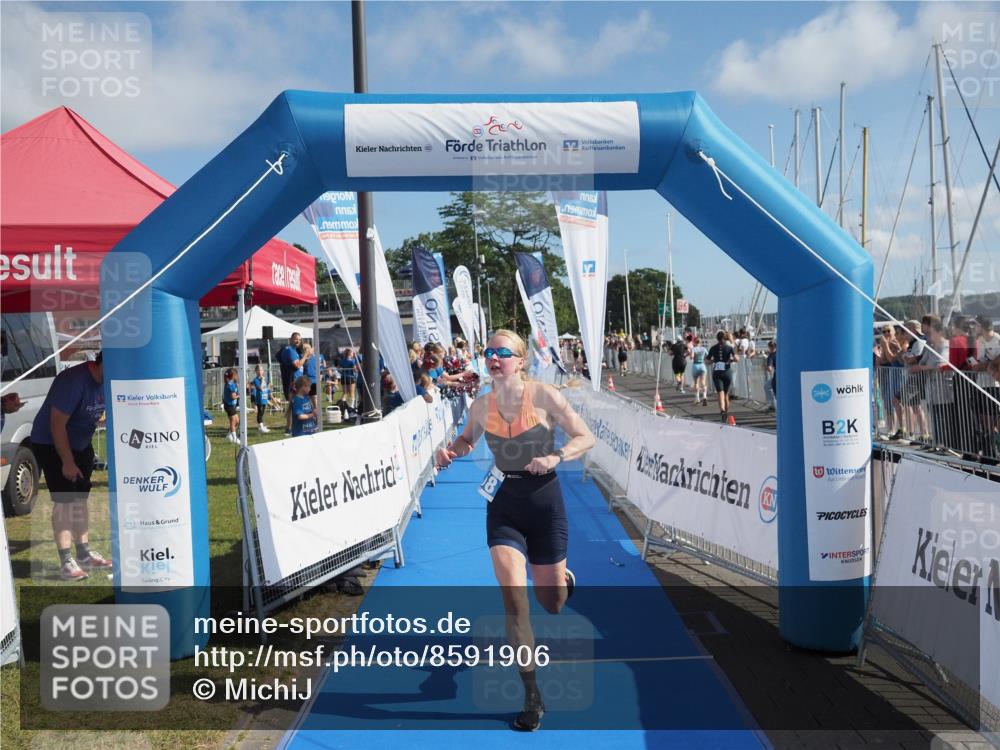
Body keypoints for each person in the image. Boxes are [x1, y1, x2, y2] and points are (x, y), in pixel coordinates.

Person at [435, 329, 595, 731]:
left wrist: (557, 456)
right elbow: (467, 440)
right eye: (488, 352)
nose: (493, 358)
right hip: (503, 504)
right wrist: (450, 452)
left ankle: (562, 576)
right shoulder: (481, 403)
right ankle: (532, 696)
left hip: (545, 503)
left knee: (552, 603)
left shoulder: (544, 396)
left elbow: (584, 436)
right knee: (515, 604)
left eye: (502, 352)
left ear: (520, 360)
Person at [30, 352, 112, 581]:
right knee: (65, 500)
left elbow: (88, 415)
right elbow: (57, 424)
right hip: (51, 443)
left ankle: (84, 553)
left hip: (80, 444)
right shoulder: (73, 381)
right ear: (101, 361)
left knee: (80, 499)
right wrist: (66, 461)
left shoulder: (107, 380)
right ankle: (66, 560)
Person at [706, 331, 739, 422]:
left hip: (717, 372)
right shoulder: (729, 348)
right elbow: (737, 359)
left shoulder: (713, 348)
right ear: (725, 338)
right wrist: (731, 360)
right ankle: (726, 412)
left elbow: (707, 361)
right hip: (727, 372)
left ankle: (723, 411)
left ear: (717, 338)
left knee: (720, 392)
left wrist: (713, 361)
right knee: (726, 393)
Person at [278, 333, 305, 435]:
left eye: (299, 339)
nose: (297, 341)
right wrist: (306, 355)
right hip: (293, 382)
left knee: (295, 405)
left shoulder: (295, 351)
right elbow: (297, 365)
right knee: (292, 405)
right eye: (295, 339)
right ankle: (289, 428)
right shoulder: (290, 350)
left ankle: (292, 427)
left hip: (298, 381)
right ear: (290, 339)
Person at [250, 364, 272, 433]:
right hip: (260, 399)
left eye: (261, 370)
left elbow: (267, 388)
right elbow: (261, 388)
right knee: (260, 412)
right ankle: (261, 426)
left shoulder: (264, 379)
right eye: (258, 370)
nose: (260, 371)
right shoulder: (256, 380)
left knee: (262, 413)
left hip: (264, 398)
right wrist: (262, 380)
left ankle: (261, 426)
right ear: (256, 371)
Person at [222, 368, 240, 444]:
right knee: (233, 422)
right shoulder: (230, 385)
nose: (237, 376)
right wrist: (239, 395)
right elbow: (233, 397)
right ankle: (234, 438)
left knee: (237, 422)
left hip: (232, 406)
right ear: (233, 375)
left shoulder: (233, 383)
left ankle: (229, 435)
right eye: (236, 374)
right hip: (229, 406)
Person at [691, 337, 709, 406]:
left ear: (695, 342)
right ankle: (704, 396)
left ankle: (697, 398)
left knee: (696, 383)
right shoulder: (704, 349)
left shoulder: (694, 349)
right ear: (700, 342)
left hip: (695, 366)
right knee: (703, 382)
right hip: (702, 365)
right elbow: (708, 356)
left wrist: (692, 356)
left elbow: (691, 357)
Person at [764, 340, 777, 411]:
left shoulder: (771, 355)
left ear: (769, 347)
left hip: (776, 376)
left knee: (767, 387)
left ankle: (771, 404)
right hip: (782, 376)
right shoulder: (781, 353)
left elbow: (769, 368)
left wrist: (765, 366)